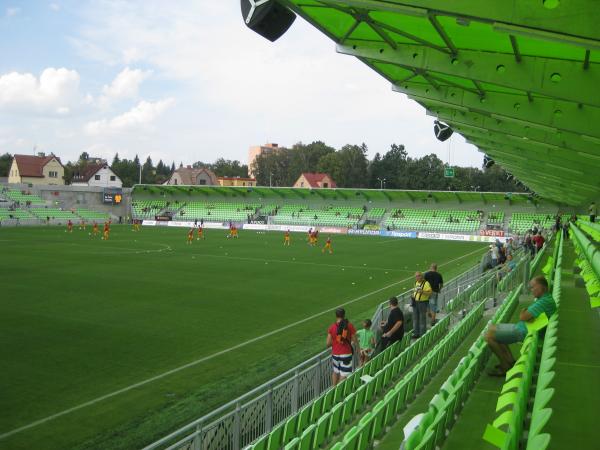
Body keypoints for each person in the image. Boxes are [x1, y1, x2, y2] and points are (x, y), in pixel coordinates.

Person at [485, 276, 556, 376]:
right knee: (492, 327)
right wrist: (526, 314)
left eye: (533, 287)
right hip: (526, 327)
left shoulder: (544, 302)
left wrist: (524, 312)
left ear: (541, 287)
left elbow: (523, 316)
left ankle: (505, 366)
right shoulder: (546, 299)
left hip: (525, 331)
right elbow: (528, 316)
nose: (531, 290)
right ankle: (510, 361)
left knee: (489, 336)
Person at [326, 308, 359, 386]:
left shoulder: (332, 327)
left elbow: (327, 344)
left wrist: (335, 341)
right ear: (344, 315)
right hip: (346, 353)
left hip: (335, 354)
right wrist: (358, 350)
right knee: (344, 374)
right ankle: (337, 392)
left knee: (336, 371)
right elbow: (355, 340)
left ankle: (333, 389)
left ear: (336, 316)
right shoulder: (349, 325)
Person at [412, 272, 432, 338]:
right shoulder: (415, 282)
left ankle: (422, 334)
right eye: (416, 276)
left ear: (421, 276)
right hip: (415, 302)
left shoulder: (426, 283)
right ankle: (416, 333)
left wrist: (422, 292)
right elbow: (415, 291)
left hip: (422, 303)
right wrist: (413, 295)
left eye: (418, 276)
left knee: (422, 319)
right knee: (415, 319)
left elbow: (430, 293)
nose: (417, 278)